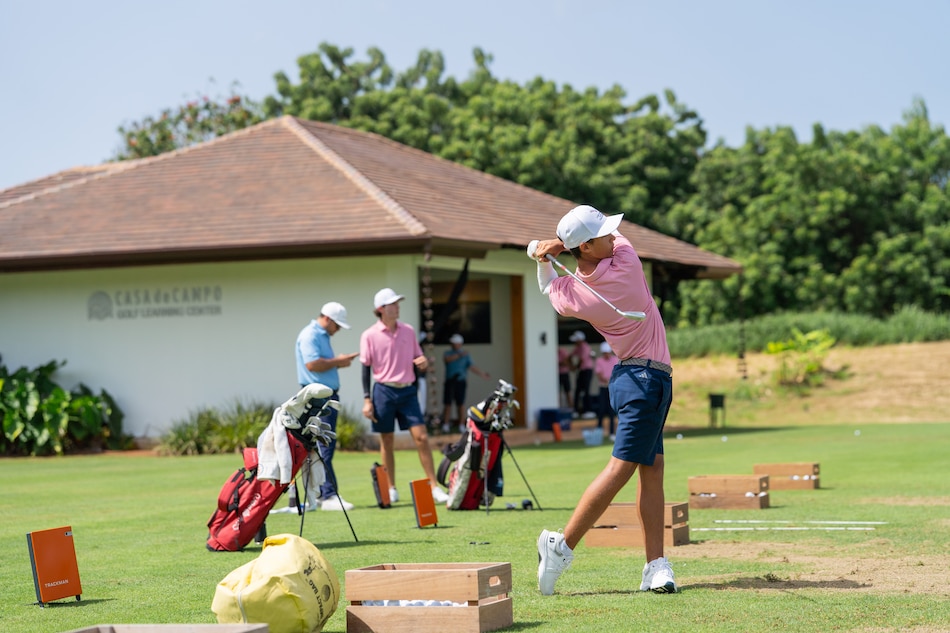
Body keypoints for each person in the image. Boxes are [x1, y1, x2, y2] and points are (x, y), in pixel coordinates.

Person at [528, 204, 677, 595]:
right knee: (622, 469)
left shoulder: (578, 295)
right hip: (644, 379)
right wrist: (557, 245)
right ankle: (561, 545)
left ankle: (655, 565)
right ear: (589, 247)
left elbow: (549, 289)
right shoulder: (625, 261)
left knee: (653, 468)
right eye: (606, 234)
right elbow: (614, 244)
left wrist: (545, 258)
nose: (615, 236)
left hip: (643, 378)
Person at [360, 288, 451, 504]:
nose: (398, 306)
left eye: (398, 303)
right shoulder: (369, 335)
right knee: (387, 440)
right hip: (383, 390)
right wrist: (366, 399)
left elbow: (419, 360)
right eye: (393, 304)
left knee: (421, 437)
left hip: (408, 390)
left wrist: (423, 364)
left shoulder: (408, 331)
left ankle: (433, 486)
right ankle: (391, 487)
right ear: (381, 309)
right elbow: (365, 368)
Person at [295, 301, 360, 511]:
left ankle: (323, 494)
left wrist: (337, 361)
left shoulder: (321, 335)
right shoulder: (310, 335)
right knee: (324, 445)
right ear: (328, 319)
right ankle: (328, 496)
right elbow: (312, 364)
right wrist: (338, 361)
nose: (338, 329)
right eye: (338, 325)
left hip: (325, 396)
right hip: (318, 398)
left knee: (322, 445)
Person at [442, 333, 490, 431]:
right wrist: (460, 355)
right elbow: (447, 360)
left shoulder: (466, 355)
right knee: (448, 403)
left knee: (461, 403)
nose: (453, 344)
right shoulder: (448, 353)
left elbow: (472, 367)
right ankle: (446, 424)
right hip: (450, 381)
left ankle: (461, 424)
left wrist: (482, 374)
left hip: (461, 381)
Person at [594, 341, 618, 440]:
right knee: (602, 409)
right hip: (603, 387)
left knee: (612, 411)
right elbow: (599, 374)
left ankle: (612, 433)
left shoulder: (615, 359)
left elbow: (617, 372)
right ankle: (599, 432)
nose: (606, 354)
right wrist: (606, 380)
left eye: (607, 352)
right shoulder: (599, 360)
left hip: (613, 388)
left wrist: (611, 380)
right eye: (604, 353)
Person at [569, 330, 595, 418]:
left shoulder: (585, 347)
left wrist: (575, 367)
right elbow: (570, 356)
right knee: (578, 390)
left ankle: (588, 410)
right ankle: (576, 410)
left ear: (580, 340)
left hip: (587, 371)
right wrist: (571, 366)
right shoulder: (578, 347)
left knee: (586, 391)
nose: (575, 342)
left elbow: (581, 360)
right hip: (581, 371)